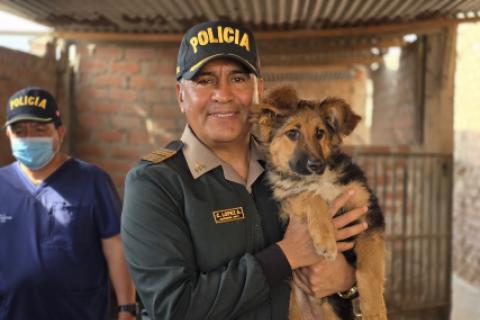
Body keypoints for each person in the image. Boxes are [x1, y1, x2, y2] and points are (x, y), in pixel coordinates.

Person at [121, 20, 368, 320]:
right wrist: (286, 255)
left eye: (238, 79)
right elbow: (175, 308)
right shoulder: (155, 182)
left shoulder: (292, 169)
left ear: (258, 89)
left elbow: (345, 262)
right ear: (180, 94)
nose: (223, 95)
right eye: (204, 80)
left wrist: (346, 281)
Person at [0, 87, 137, 320]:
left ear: (60, 132)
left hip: (80, 312)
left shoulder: (92, 180)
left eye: (40, 130)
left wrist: (127, 308)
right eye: (19, 131)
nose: (29, 138)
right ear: (8, 136)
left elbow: (115, 246)